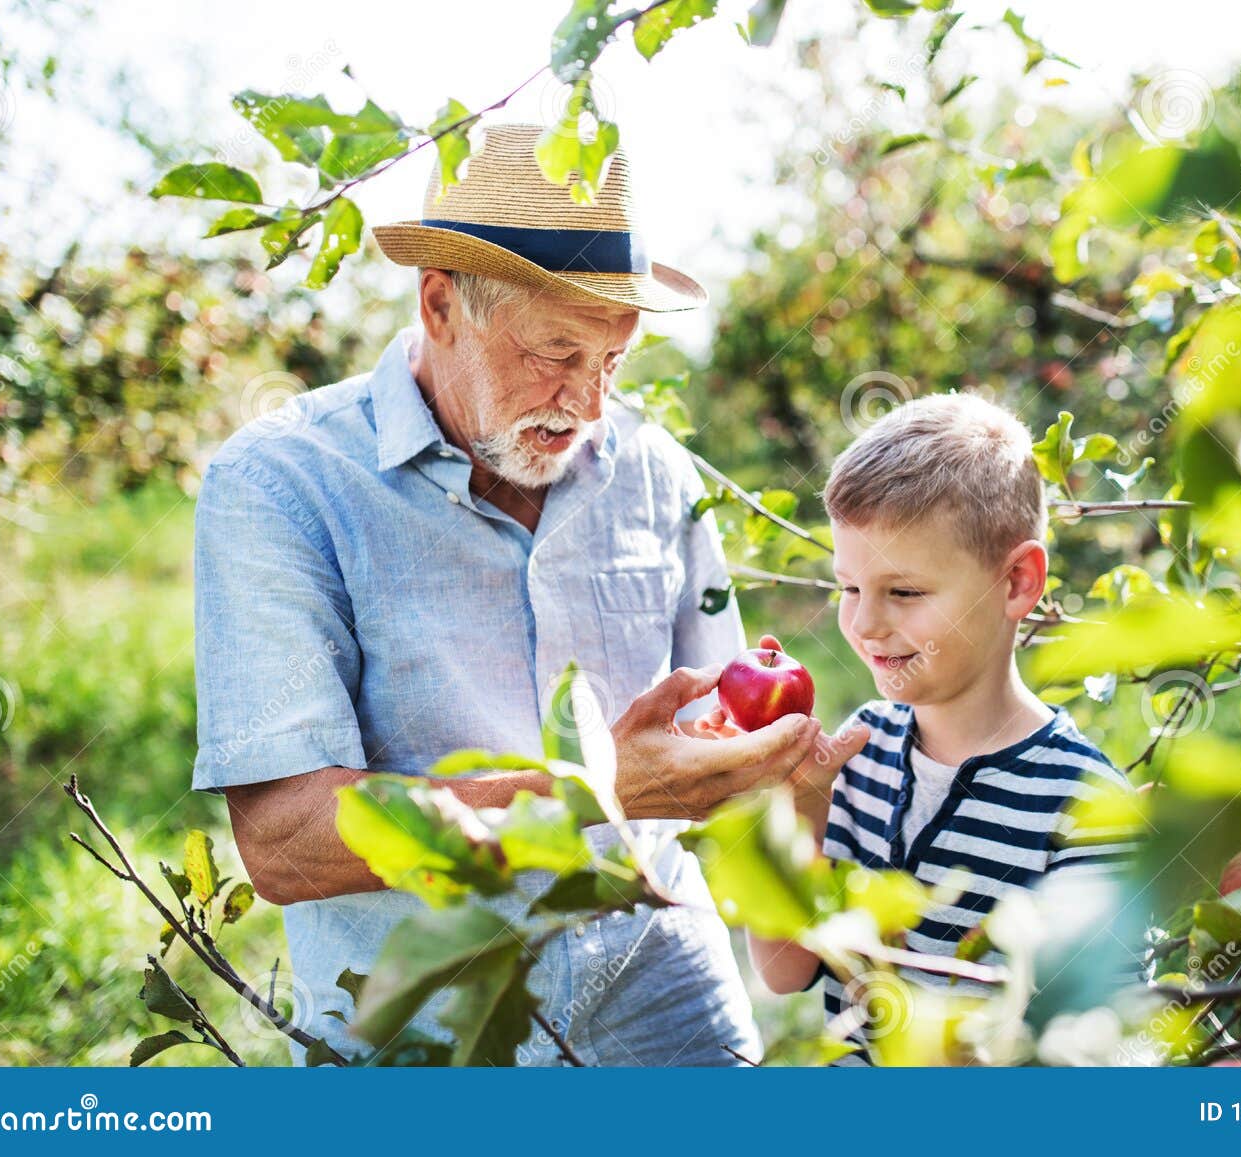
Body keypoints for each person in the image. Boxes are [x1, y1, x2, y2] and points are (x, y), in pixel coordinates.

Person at [192, 122, 844, 1066]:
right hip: (431, 1026)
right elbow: (286, 841)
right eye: (555, 352)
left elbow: (724, 741)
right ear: (440, 303)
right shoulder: (285, 486)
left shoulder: (658, 475)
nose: (586, 402)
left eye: (613, 362)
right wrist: (587, 794)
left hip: (665, 991)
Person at [728, 393, 1140, 1064]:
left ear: (1016, 582)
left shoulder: (1088, 807)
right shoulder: (858, 752)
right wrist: (790, 805)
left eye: (905, 592)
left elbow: (1107, 1051)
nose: (864, 624)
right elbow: (785, 970)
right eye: (850, 587)